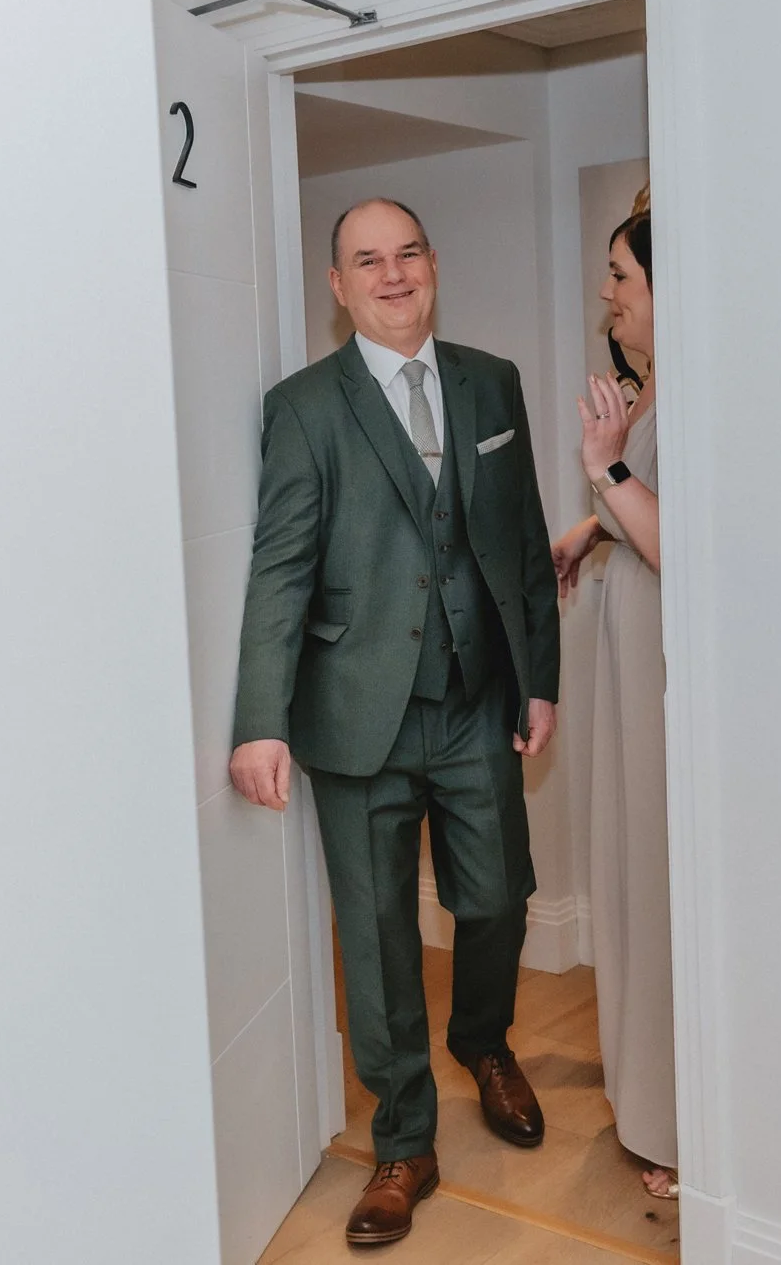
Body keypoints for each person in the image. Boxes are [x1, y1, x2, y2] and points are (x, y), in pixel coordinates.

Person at [228, 198, 562, 1246]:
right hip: (355, 714)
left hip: (475, 703)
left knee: (498, 894)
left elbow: (521, 541)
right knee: (373, 939)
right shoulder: (303, 407)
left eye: (406, 253)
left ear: (432, 264)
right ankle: (403, 1142)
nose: (390, 275)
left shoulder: (489, 381)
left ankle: (484, 1039)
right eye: (364, 261)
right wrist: (258, 719)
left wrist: (537, 679)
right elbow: (278, 565)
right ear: (336, 287)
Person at [550, 209, 676, 1199]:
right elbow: (643, 509)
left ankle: (682, 1124)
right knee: (630, 861)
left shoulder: (706, 384)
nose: (608, 292)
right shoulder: (653, 390)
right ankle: (648, 1102)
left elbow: (681, 540)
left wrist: (605, 465)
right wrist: (591, 525)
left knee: (661, 875)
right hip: (632, 639)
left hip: (669, 662)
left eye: (618, 272)